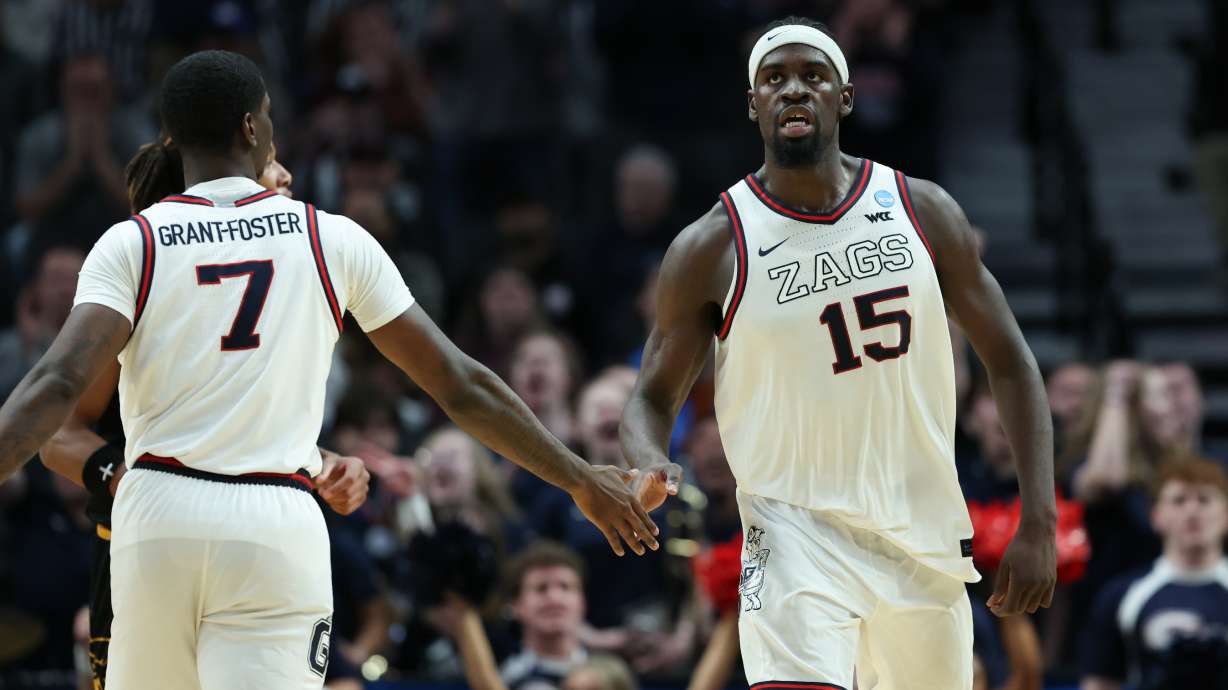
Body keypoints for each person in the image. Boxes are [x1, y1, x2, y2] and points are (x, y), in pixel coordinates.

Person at [0, 50, 668, 689]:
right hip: (272, 521)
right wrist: (578, 477)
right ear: (254, 127)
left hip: (157, 516)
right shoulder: (328, 236)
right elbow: (460, 386)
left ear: (170, 140)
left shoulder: (133, 241)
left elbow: (56, 385)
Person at [619, 17, 1057, 690]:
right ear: (753, 103)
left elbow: (1011, 360)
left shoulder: (922, 209)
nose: (794, 90)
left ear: (844, 96)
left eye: (812, 76)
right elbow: (650, 396)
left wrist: (1040, 518)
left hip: (921, 532)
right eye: (775, 80)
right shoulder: (712, 245)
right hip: (794, 531)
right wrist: (650, 456)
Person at [35, 137, 369, 690]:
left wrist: (327, 463)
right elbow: (56, 433)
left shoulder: (285, 286)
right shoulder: (150, 283)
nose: (286, 176)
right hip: (141, 539)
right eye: (270, 164)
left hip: (245, 540)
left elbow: (248, 434)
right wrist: (123, 478)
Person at [1079, 458, 1228, 690]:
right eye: (1179, 501)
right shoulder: (1124, 594)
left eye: (1204, 499)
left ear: (1225, 515)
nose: (1192, 510)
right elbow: (1100, 683)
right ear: (1156, 516)